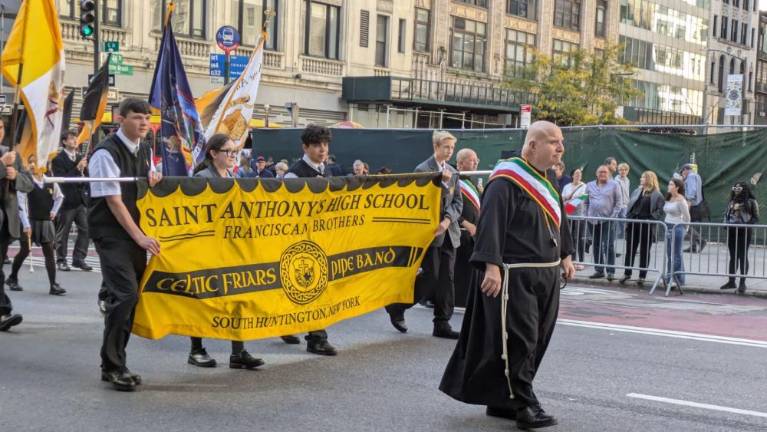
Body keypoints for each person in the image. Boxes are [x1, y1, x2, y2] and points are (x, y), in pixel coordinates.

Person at [440, 121, 575, 430]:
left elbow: (559, 219)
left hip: (546, 274)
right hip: (515, 277)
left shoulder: (547, 180)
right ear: (532, 146)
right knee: (519, 341)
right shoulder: (506, 180)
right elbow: (491, 225)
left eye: (561, 142)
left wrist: (565, 254)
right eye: (553, 142)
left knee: (538, 337)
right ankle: (526, 406)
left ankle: (504, 399)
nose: (560, 148)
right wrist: (491, 265)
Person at [88, 98, 163, 391]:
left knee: (130, 299)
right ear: (121, 119)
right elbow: (113, 201)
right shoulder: (105, 153)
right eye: (136, 118)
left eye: (146, 117)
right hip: (112, 233)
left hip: (134, 232)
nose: (143, 123)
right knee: (127, 295)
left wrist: (153, 180)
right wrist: (140, 237)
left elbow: (143, 188)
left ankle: (114, 362)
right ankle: (113, 365)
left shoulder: (144, 149)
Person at [186, 134, 265, 369]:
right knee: (202, 299)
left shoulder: (233, 176)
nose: (233, 156)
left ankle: (238, 352)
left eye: (234, 151)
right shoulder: (202, 178)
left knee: (237, 297)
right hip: (207, 248)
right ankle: (196, 349)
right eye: (228, 151)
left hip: (230, 247)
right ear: (213, 153)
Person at [386, 130, 463, 339]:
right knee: (431, 277)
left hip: (449, 233)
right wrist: (443, 186)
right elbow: (423, 203)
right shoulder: (423, 169)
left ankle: (442, 323)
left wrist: (447, 220)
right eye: (446, 147)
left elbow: (458, 203)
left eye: (452, 148)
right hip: (429, 234)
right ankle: (397, 306)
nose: (449, 152)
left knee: (447, 278)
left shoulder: (453, 171)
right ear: (436, 147)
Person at [282, 124, 337, 356]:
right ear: (305, 147)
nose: (322, 149)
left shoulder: (326, 169)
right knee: (312, 287)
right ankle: (316, 338)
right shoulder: (295, 174)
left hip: (322, 237)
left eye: (325, 144)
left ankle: (286, 324)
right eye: (316, 145)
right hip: (300, 239)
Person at [5, 157, 66, 295]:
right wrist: (26, 224)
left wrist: (54, 211)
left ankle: (53, 284)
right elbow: (21, 205)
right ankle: (13, 277)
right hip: (30, 221)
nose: (32, 165)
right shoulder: (27, 182)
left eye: (36, 162)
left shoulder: (50, 181)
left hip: (45, 221)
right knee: (25, 251)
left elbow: (60, 197)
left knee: (49, 252)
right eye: (30, 162)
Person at [0, 132, 33, 332]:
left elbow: (29, 183)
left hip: (5, 221)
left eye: (1, 126)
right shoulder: (5, 158)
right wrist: (2, 167)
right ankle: (3, 310)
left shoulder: (12, 154)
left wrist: (16, 176)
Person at [51, 130, 93, 272]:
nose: (75, 140)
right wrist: (77, 169)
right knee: (64, 232)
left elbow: (86, 179)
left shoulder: (81, 157)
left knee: (85, 229)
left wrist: (84, 170)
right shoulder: (58, 159)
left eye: (76, 138)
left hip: (81, 200)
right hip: (67, 201)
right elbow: (62, 180)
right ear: (64, 142)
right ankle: (61, 259)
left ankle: (79, 258)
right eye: (71, 138)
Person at [619, 171, 664, 287]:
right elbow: (630, 205)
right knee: (630, 250)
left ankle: (642, 276)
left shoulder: (657, 194)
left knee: (644, 251)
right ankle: (627, 273)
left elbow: (660, 211)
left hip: (647, 226)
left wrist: (651, 218)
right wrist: (629, 217)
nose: (641, 179)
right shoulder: (637, 191)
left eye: (643, 177)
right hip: (633, 224)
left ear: (649, 179)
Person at [720, 181, 759, 294]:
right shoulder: (732, 201)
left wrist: (746, 225)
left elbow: (755, 218)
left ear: (744, 189)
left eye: (739, 187)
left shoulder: (751, 202)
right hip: (732, 231)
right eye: (735, 187)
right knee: (733, 256)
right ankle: (731, 281)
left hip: (744, 232)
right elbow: (727, 214)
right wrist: (725, 224)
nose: (736, 189)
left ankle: (742, 283)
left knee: (742, 256)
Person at [454, 148, 480, 307]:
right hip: (460, 232)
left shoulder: (471, 182)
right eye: (472, 160)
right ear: (461, 163)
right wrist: (466, 223)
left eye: (476, 160)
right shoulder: (454, 180)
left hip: (472, 235)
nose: (476, 162)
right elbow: (447, 208)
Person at [585, 165, 622, 281]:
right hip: (592, 220)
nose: (602, 174)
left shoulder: (615, 185)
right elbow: (585, 201)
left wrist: (613, 217)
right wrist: (587, 214)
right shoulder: (589, 185)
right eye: (600, 172)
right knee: (596, 245)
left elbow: (618, 203)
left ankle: (611, 271)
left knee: (609, 245)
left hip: (608, 220)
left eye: (605, 172)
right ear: (596, 174)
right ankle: (599, 270)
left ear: (609, 174)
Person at [663, 178, 690, 290]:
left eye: (671, 184)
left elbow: (687, 217)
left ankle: (675, 279)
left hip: (677, 227)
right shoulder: (669, 197)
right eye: (669, 184)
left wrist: (685, 229)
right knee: (669, 254)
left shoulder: (681, 200)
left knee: (676, 254)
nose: (669, 186)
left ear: (677, 187)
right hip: (667, 226)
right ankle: (672, 277)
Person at [562, 168, 587, 270]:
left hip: (579, 216)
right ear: (572, 175)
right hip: (568, 216)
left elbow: (582, 198)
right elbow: (562, 197)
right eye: (576, 173)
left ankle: (580, 261)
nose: (578, 175)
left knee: (579, 238)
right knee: (570, 238)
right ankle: (571, 260)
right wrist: (571, 200)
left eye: (580, 174)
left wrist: (569, 202)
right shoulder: (567, 186)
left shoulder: (584, 186)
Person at [680, 164, 706, 252]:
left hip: (692, 204)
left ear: (685, 170)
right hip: (698, 204)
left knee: (685, 223)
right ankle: (693, 246)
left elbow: (691, 191)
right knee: (689, 224)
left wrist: (688, 204)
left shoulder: (690, 177)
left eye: (682, 172)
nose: (682, 174)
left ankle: (700, 240)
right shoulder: (696, 176)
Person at [614, 163, 630, 241]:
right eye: (621, 170)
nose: (623, 171)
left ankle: (625, 241)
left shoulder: (627, 180)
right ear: (618, 171)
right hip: (617, 206)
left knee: (625, 225)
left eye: (624, 170)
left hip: (625, 206)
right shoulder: (615, 181)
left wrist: (627, 203)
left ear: (627, 171)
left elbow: (626, 193)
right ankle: (615, 241)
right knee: (615, 224)